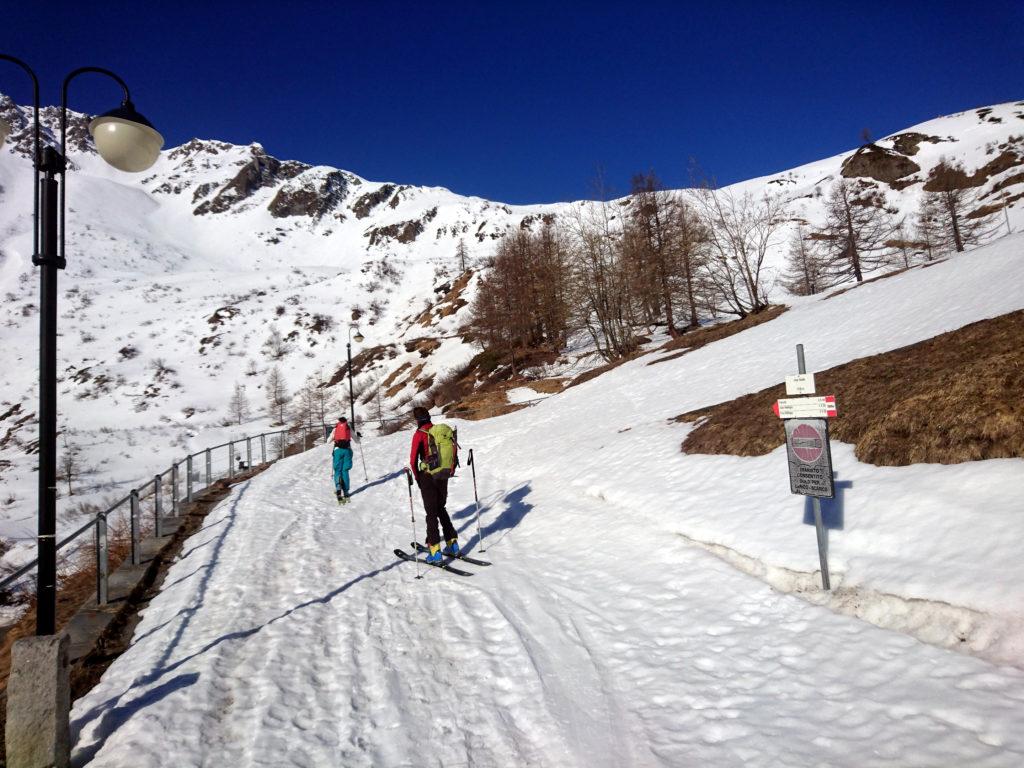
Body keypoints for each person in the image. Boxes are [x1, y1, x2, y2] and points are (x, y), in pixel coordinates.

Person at [409, 406, 458, 563]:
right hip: (443, 474)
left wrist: (418, 478)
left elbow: (412, 461)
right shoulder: (440, 431)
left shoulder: (419, 434)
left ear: (417, 420)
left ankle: (435, 551)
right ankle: (452, 544)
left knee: (431, 513)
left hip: (427, 476)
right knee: (440, 508)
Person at [332, 438, 353, 503]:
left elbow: (328, 441)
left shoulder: (335, 429)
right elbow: (356, 440)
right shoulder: (348, 428)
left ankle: (338, 488)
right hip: (347, 450)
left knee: (338, 470)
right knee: (345, 471)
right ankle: (346, 492)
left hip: (337, 451)